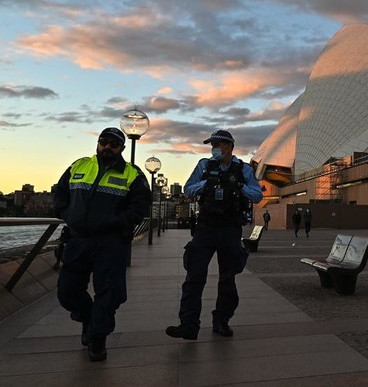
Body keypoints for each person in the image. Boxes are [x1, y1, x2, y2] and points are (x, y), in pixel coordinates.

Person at [53, 127, 151, 362]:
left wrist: (116, 222)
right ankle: (90, 319)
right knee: (67, 292)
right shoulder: (79, 165)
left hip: (111, 243)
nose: (107, 147)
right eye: (103, 142)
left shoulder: (132, 174)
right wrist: (67, 214)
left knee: (109, 293)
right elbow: (60, 192)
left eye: (113, 144)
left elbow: (140, 206)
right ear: (97, 143)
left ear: (122, 148)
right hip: (77, 239)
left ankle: (98, 338)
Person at [166, 130, 263, 340]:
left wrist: (239, 186)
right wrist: (206, 184)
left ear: (229, 146)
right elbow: (188, 189)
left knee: (227, 279)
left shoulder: (243, 169)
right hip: (206, 228)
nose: (213, 149)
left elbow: (257, 195)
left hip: (230, 229)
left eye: (217, 144)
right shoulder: (204, 165)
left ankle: (222, 321)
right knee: (194, 276)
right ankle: (188, 325)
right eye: (212, 145)